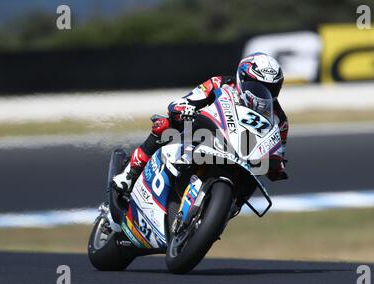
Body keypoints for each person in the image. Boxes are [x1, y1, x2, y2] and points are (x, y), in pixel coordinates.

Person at [111, 52, 289, 194]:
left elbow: (277, 151)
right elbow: (183, 102)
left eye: (271, 89)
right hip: (205, 134)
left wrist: (276, 166)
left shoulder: (280, 120)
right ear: (242, 79)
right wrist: (183, 109)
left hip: (241, 154)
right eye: (257, 86)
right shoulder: (220, 83)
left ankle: (220, 215)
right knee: (164, 125)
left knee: (254, 179)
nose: (263, 93)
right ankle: (130, 173)